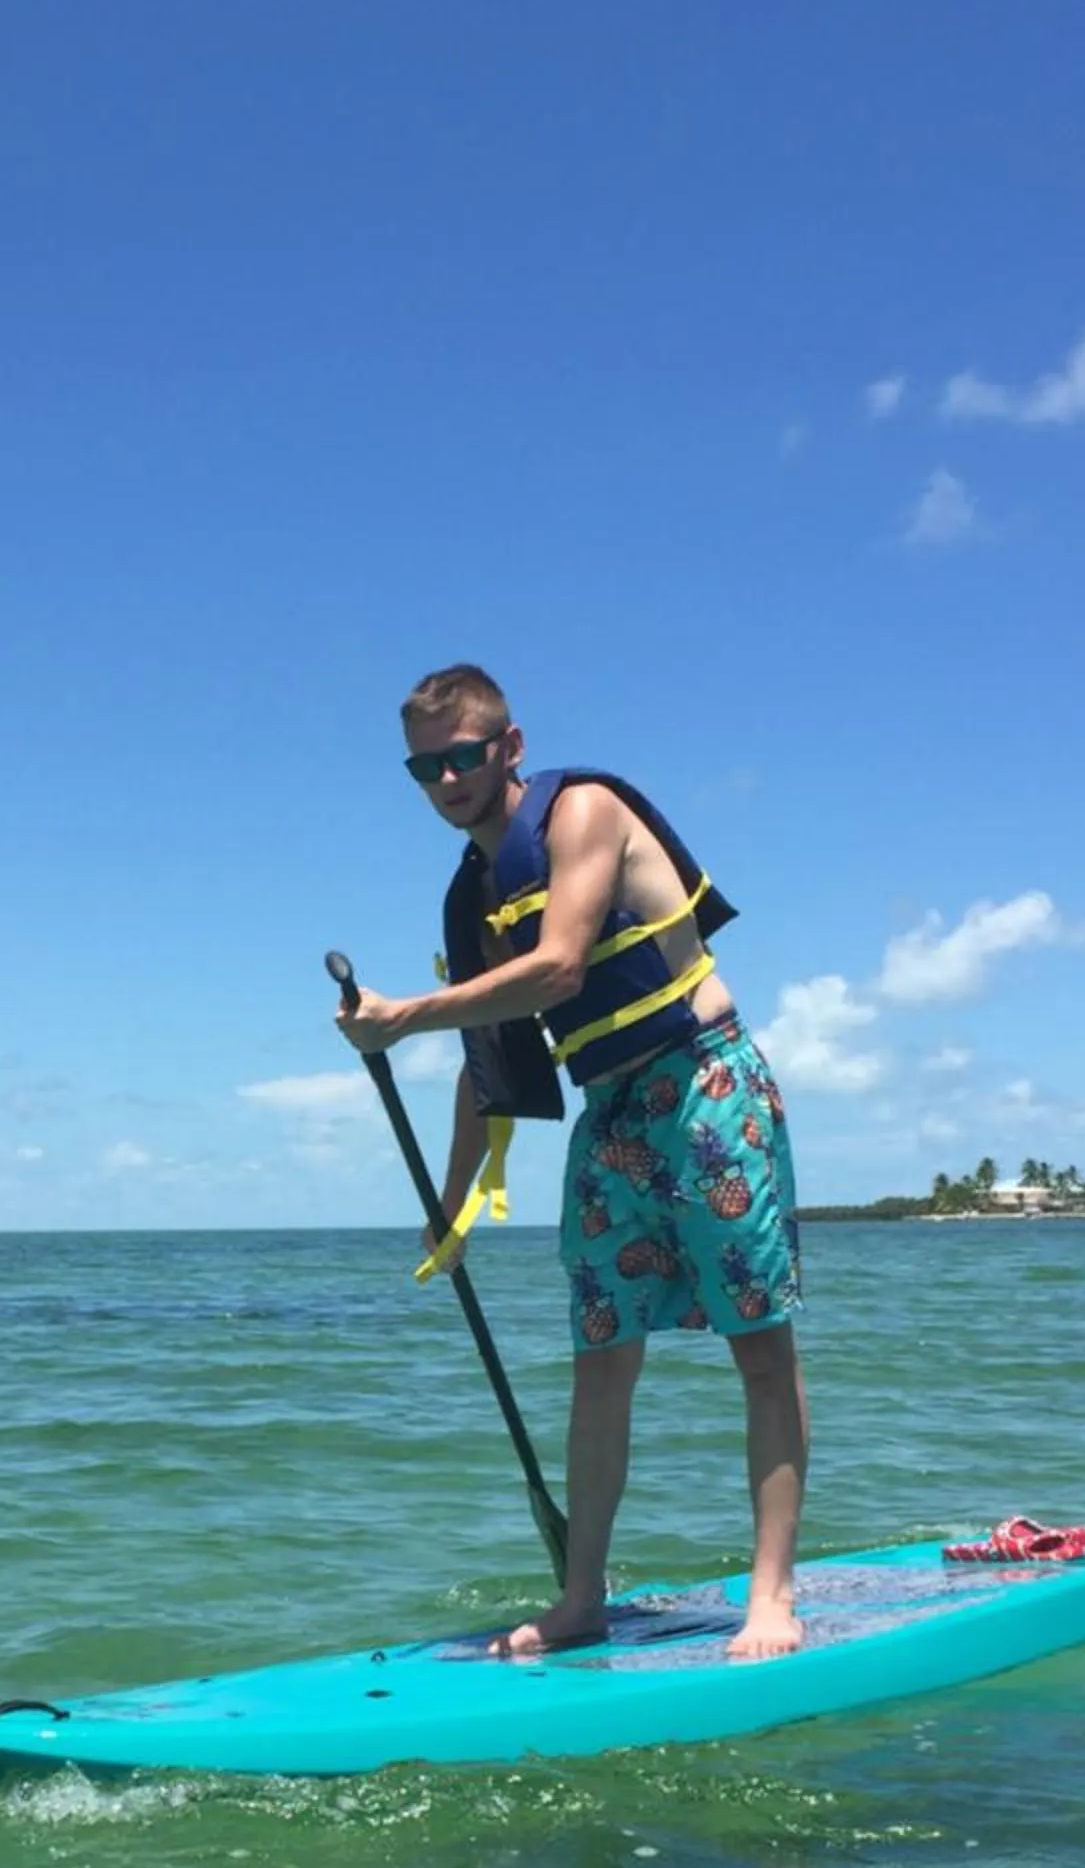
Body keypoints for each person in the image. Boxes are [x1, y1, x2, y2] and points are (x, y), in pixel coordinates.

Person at [336, 663, 808, 1661]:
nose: (448, 780)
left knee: (759, 1349)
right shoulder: (472, 898)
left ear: (508, 747)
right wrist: (451, 1207)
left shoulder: (583, 812)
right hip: (612, 1120)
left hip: (705, 1089)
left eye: (464, 756)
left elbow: (557, 967)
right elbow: (487, 1067)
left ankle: (772, 1597)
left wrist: (401, 1019)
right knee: (600, 1364)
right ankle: (582, 1597)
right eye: (425, 768)